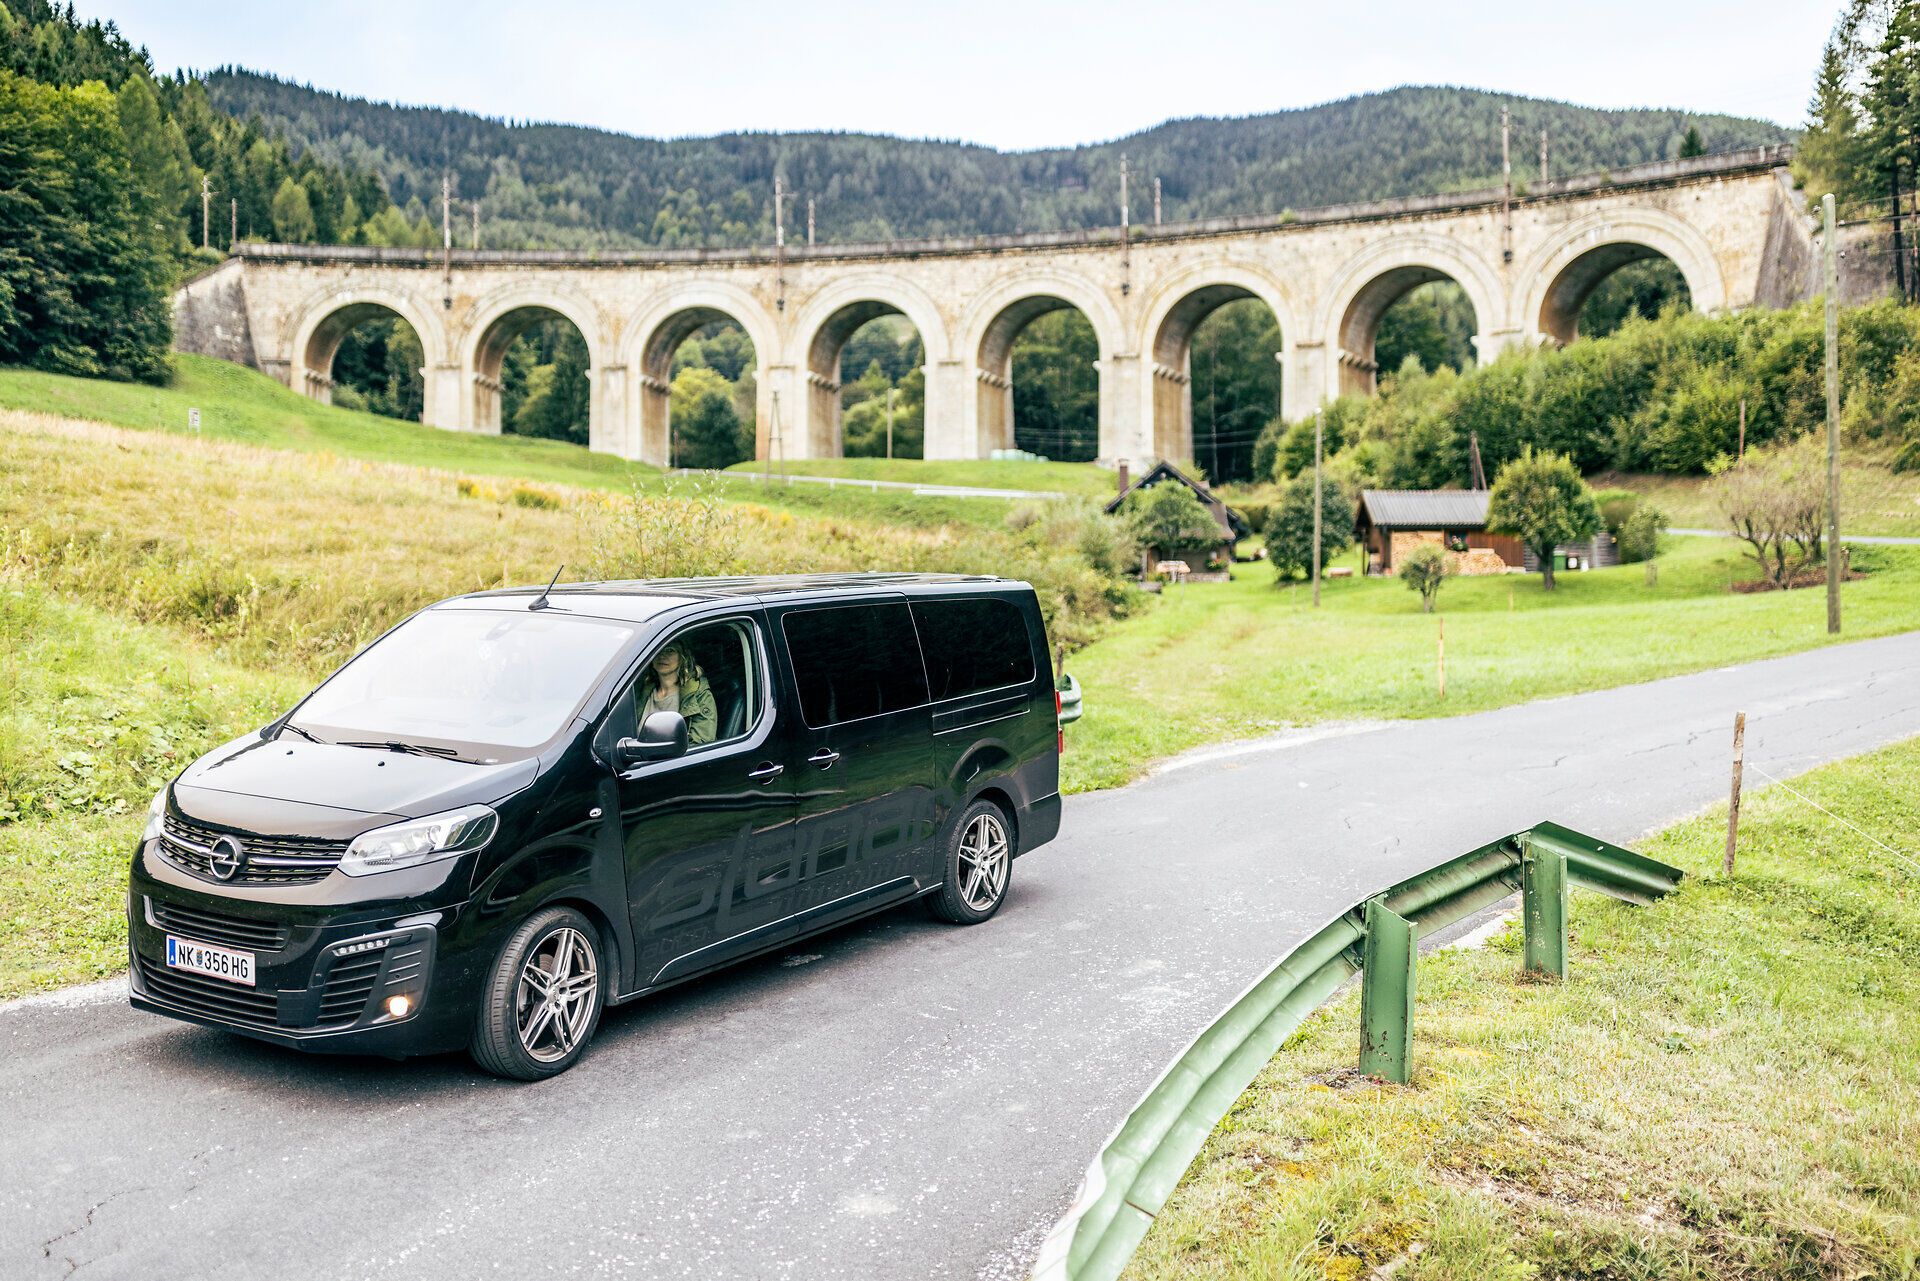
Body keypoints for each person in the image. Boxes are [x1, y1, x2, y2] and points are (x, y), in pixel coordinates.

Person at [635, 640, 717, 747]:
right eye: (658, 649)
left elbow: (701, 746)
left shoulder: (698, 694)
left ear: (683, 658)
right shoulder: (641, 689)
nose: (662, 655)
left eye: (670, 650)